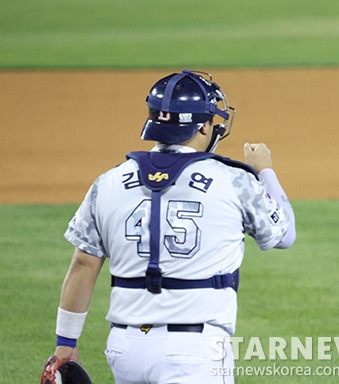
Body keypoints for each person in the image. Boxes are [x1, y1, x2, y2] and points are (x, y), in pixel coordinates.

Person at [43, 70, 296, 383]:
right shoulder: (233, 179)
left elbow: (83, 265)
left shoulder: (108, 182)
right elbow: (284, 234)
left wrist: (65, 344)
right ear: (204, 125)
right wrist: (265, 172)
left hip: (125, 350)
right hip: (194, 352)